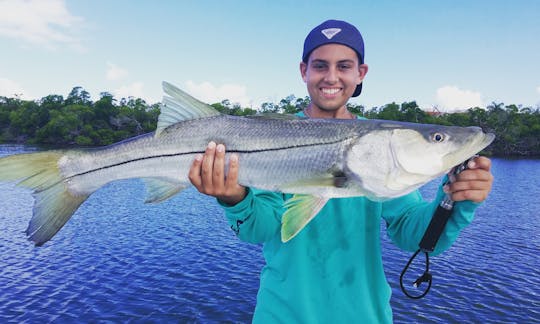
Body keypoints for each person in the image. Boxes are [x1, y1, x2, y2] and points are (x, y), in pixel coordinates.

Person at [188, 19, 493, 323]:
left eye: (344, 66)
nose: (331, 76)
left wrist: (455, 199)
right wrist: (234, 199)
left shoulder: (382, 160)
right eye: (320, 66)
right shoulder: (273, 134)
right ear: (303, 71)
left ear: (361, 74)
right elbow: (262, 229)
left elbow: (415, 237)